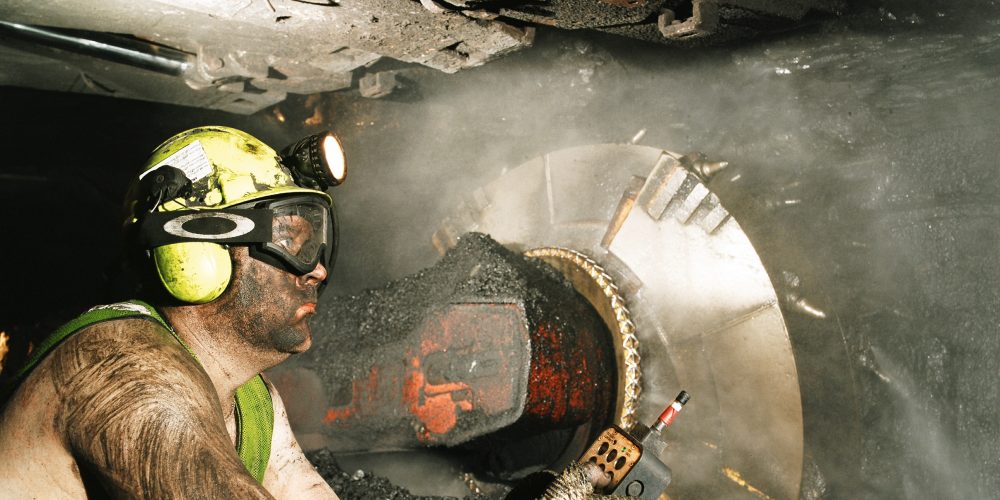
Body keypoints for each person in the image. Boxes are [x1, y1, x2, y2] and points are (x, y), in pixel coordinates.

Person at [0, 126, 345, 499]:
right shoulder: (123, 369)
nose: (317, 271)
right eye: (289, 243)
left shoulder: (251, 399)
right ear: (197, 251)